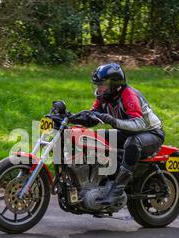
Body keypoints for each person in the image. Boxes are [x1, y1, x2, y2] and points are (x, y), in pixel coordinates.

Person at [70, 63, 165, 206]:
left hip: (151, 133)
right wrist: (69, 116)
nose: (99, 88)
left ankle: (117, 191)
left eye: (102, 84)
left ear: (114, 84)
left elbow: (139, 124)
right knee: (94, 137)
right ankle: (99, 180)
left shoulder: (129, 95)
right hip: (127, 132)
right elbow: (92, 117)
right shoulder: (103, 97)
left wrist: (113, 121)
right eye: (98, 84)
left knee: (133, 143)